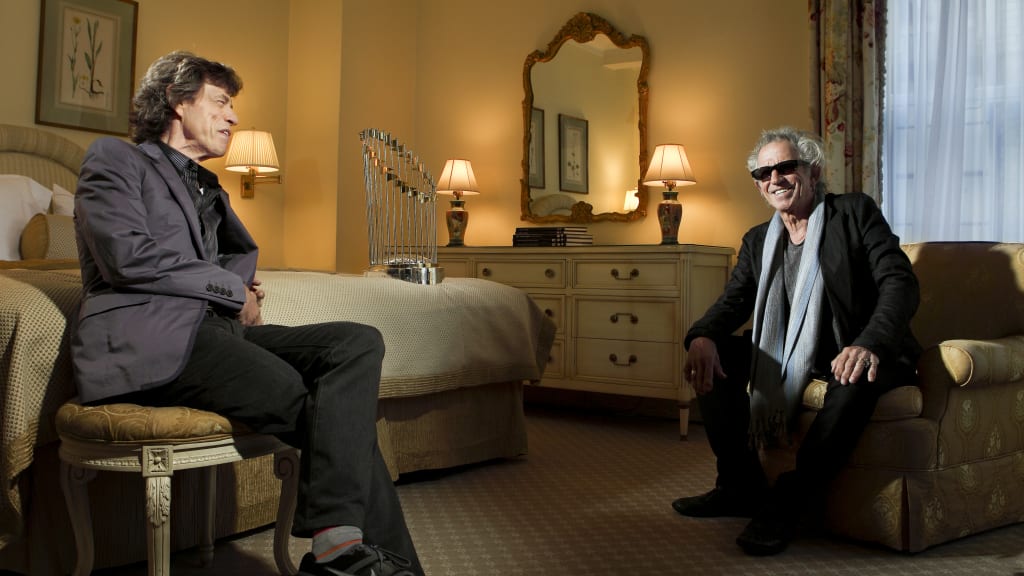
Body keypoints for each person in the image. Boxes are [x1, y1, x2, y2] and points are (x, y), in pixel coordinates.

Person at [71, 51, 422, 576]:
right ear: (175, 98)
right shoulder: (114, 160)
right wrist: (231, 288)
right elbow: (128, 258)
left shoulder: (210, 189)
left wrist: (238, 284)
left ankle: (341, 550)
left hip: (216, 337)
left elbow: (218, 266)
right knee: (326, 412)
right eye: (221, 102)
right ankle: (359, 556)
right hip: (155, 339)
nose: (233, 117)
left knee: (357, 342)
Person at [672, 126, 921, 556]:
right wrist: (701, 336)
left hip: (861, 348)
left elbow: (899, 282)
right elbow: (732, 304)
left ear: (813, 171)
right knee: (715, 356)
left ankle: (788, 501)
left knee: (853, 376)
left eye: (786, 167)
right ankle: (738, 486)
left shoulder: (853, 213)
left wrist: (869, 342)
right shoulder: (757, 241)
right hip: (789, 354)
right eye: (763, 172)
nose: (775, 178)